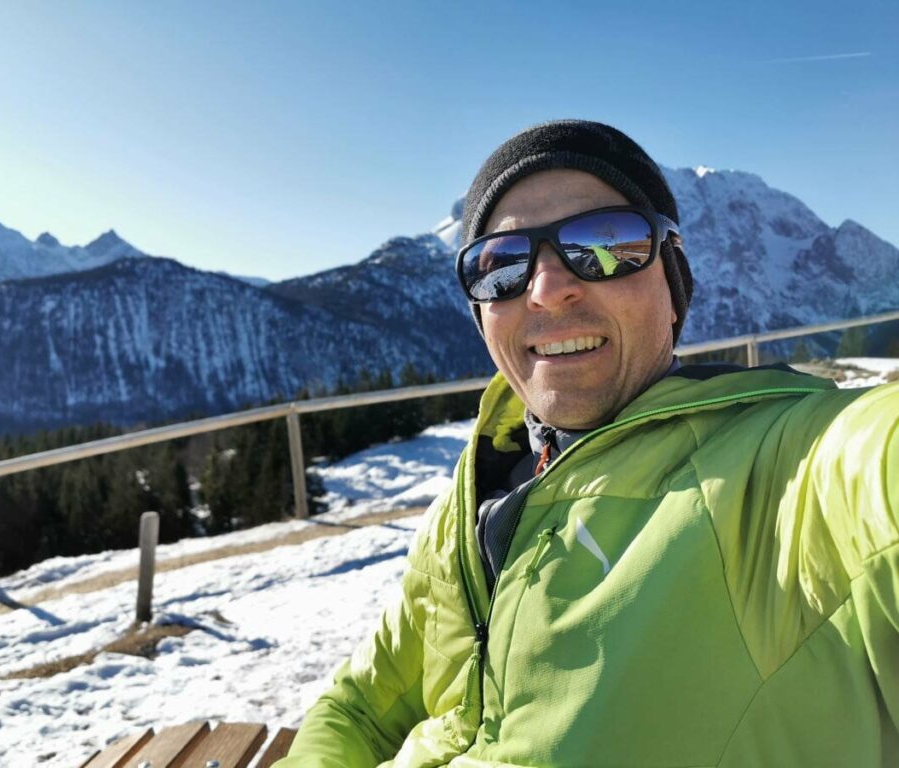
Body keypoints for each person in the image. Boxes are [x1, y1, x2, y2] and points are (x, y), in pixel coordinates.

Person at [276, 121, 899, 767]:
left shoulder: (782, 473)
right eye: (502, 266)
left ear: (673, 286)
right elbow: (356, 706)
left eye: (605, 244)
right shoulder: (472, 505)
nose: (547, 289)